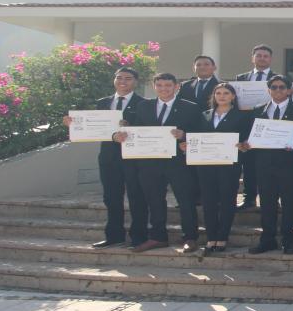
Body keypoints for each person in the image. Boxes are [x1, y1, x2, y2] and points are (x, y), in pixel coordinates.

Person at [115, 73, 201, 253]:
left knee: (186, 200)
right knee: (154, 201)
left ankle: (190, 237)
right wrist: (124, 132)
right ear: (154, 87)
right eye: (160, 85)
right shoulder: (144, 106)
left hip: (179, 162)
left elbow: (201, 133)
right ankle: (158, 237)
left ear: (177, 86)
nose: (164, 89)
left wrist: (184, 135)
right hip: (150, 162)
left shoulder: (190, 108)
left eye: (168, 85)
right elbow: (137, 130)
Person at [63, 67, 148, 249]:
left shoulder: (144, 103)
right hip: (109, 158)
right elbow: (94, 127)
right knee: (111, 197)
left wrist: (129, 127)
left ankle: (139, 236)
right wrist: (74, 124)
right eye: (119, 77)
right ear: (114, 80)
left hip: (134, 158)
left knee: (137, 197)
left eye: (128, 78)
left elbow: (147, 129)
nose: (123, 81)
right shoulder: (103, 102)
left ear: (136, 81)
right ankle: (114, 236)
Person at [246, 74, 293, 255]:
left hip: (290, 164)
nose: (278, 90)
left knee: (289, 203)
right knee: (267, 204)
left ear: (289, 90)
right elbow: (251, 136)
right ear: (268, 90)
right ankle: (267, 239)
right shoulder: (257, 111)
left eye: (282, 87)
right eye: (274, 87)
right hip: (264, 164)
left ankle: (288, 240)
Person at [187, 82, 250, 253]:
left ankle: (222, 237)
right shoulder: (205, 115)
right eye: (218, 93)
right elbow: (197, 136)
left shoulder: (242, 116)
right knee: (208, 202)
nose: (222, 96)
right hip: (206, 165)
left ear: (233, 96)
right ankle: (211, 237)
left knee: (228, 201)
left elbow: (246, 140)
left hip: (229, 165)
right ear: (214, 96)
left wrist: (244, 145)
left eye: (226, 93)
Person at [235, 44, 274, 210]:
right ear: (253, 58)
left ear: (270, 59)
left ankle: (273, 198)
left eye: (265, 56)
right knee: (249, 166)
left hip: (269, 127)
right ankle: (249, 198)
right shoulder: (241, 78)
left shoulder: (279, 78)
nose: (262, 58)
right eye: (259, 55)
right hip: (245, 127)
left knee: (271, 166)